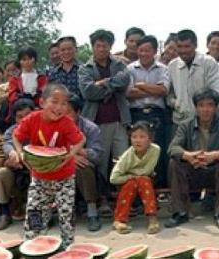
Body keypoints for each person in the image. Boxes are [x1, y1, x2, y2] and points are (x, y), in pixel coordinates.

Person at [12, 83, 85, 249]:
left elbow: (81, 140)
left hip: (65, 177)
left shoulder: (66, 123)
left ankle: (68, 247)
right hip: (39, 177)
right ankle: (32, 245)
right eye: (55, 102)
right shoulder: (32, 119)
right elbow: (16, 136)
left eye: (64, 104)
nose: (59, 107)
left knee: (66, 214)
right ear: (42, 102)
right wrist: (20, 152)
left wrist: (71, 154)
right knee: (35, 211)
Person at [166, 88, 219, 229]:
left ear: (215, 108)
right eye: (201, 105)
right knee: (174, 163)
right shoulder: (186, 125)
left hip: (213, 171)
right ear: (196, 108)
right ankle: (179, 213)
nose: (206, 110)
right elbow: (172, 148)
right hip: (193, 169)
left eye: (210, 105)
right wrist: (188, 156)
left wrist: (214, 155)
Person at [78, 29, 131, 215]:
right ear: (93, 47)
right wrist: (112, 86)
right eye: (98, 46)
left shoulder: (119, 64)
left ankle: (124, 200)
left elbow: (124, 80)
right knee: (100, 163)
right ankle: (103, 199)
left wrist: (102, 83)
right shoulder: (85, 68)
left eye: (105, 46)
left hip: (119, 120)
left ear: (110, 47)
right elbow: (88, 92)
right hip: (96, 123)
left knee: (123, 161)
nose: (102, 49)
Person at [126, 35, 170, 190]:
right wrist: (152, 89)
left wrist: (141, 85)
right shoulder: (130, 69)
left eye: (147, 50)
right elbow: (129, 93)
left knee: (157, 150)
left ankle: (157, 187)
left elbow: (163, 90)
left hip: (156, 114)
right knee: (138, 150)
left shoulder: (163, 69)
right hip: (136, 113)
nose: (144, 53)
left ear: (155, 51)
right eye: (141, 50)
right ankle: (138, 186)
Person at [110, 121, 160, 234]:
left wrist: (136, 176)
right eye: (134, 137)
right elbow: (113, 178)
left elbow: (147, 170)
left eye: (142, 137)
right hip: (128, 180)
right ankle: (119, 220)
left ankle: (152, 217)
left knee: (144, 180)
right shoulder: (127, 156)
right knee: (131, 184)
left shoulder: (155, 149)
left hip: (147, 179)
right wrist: (130, 176)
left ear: (150, 139)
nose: (138, 140)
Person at [167, 29, 219, 127]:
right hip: (180, 121)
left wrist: (206, 112)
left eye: (187, 46)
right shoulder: (172, 65)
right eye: (179, 46)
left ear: (195, 45)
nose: (183, 50)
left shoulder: (208, 62)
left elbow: (217, 93)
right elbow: (168, 94)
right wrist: (177, 104)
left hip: (205, 123)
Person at [0, 99, 36, 230]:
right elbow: (7, 144)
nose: (24, 119)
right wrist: (12, 153)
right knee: (1, 173)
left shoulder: (42, 128)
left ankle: (40, 213)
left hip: (37, 168)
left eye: (27, 115)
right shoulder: (11, 131)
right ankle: (5, 213)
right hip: (17, 168)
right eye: (20, 116)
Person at [67, 94, 103, 232]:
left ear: (78, 112)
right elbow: (49, 149)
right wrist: (70, 156)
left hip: (84, 167)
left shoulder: (90, 128)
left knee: (83, 166)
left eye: (68, 112)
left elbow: (97, 156)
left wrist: (80, 151)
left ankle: (92, 212)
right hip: (60, 163)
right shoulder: (53, 126)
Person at [8, 47, 48, 113]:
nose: (27, 62)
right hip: (20, 109)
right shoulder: (15, 79)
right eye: (24, 59)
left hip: (38, 109)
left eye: (30, 59)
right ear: (20, 61)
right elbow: (12, 96)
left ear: (34, 60)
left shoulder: (42, 77)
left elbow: (44, 93)